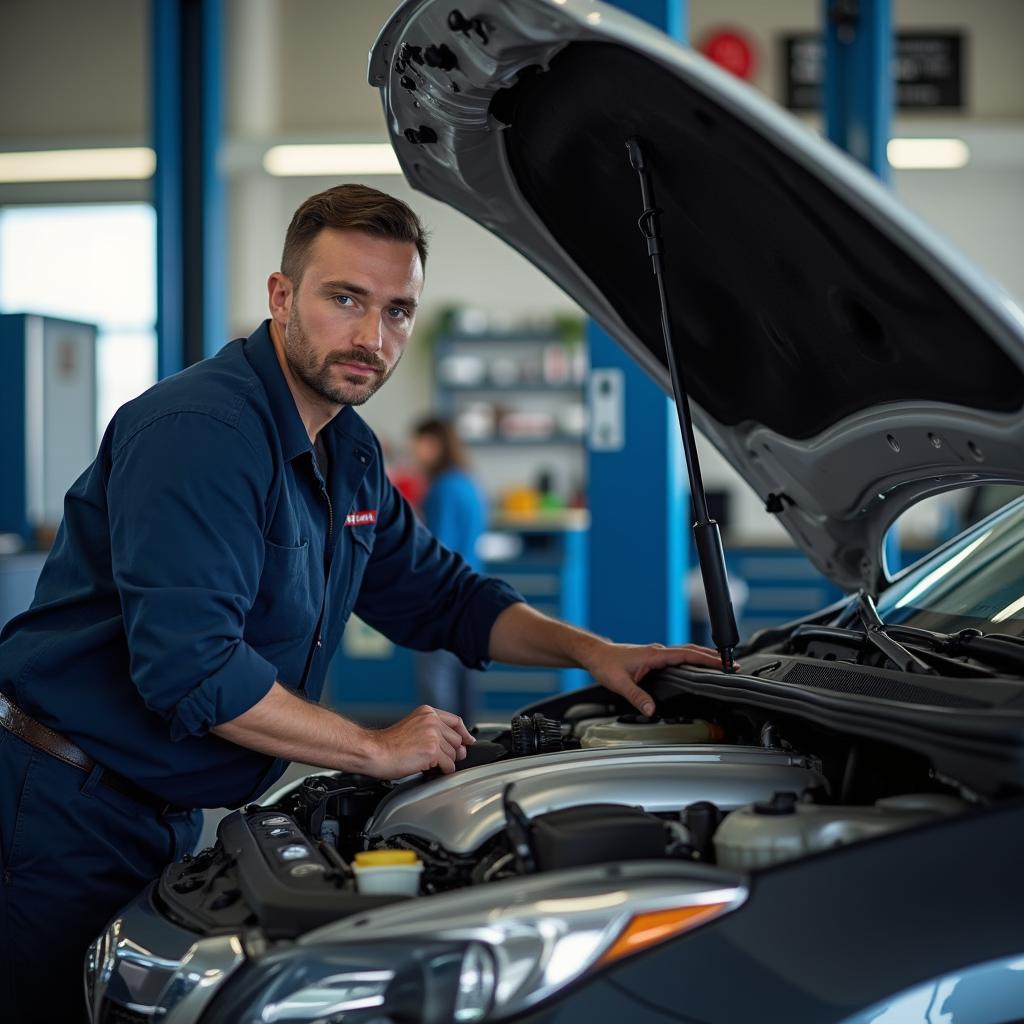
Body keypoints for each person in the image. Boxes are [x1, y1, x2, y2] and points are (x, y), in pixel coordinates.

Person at [0, 183, 721, 1022]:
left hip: (152, 812)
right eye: (346, 299)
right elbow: (192, 669)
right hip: (59, 809)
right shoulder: (202, 431)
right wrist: (370, 749)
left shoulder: (349, 452)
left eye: (398, 311)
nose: (372, 337)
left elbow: (441, 597)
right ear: (281, 296)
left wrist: (593, 651)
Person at [410, 416, 487, 721]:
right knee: (464, 677)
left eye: (418, 444)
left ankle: (442, 753)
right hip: (471, 589)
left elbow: (437, 546)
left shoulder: (442, 488)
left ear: (434, 444)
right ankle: (467, 748)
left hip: (442, 593)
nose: (414, 452)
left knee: (436, 679)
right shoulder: (467, 482)